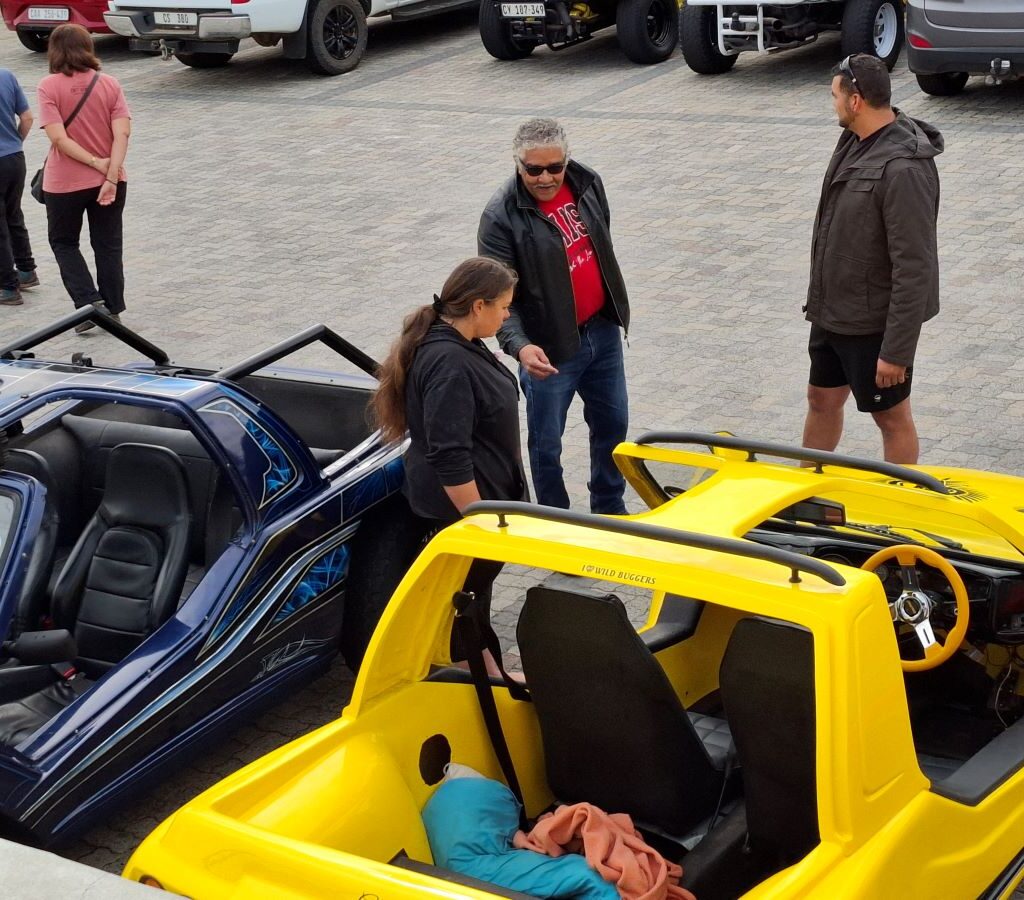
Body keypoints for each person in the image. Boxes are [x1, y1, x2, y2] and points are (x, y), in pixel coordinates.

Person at [371, 256, 526, 665]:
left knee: (472, 592)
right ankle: (473, 673)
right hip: (461, 507)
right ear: (478, 306)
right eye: (504, 306)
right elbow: (449, 452)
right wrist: (477, 521)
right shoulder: (450, 363)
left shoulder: (462, 342)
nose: (507, 316)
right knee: (463, 595)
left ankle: (482, 666)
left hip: (478, 499)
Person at [478, 118, 631, 514]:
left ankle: (609, 508)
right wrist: (520, 346)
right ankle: (555, 520)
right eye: (534, 169)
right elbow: (497, 298)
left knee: (613, 428)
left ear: (567, 160)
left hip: (602, 333)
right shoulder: (499, 216)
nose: (545, 178)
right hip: (548, 349)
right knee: (547, 445)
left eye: (554, 167)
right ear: (517, 163)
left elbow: (601, 243)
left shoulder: (587, 183)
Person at [802, 53, 943, 465]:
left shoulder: (904, 170)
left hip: (872, 325)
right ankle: (805, 489)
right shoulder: (854, 139)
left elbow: (914, 267)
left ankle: (899, 497)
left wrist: (897, 351)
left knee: (891, 418)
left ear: (856, 101)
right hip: (833, 313)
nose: (833, 104)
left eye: (835, 96)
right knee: (820, 399)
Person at [37, 23, 132, 333]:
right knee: (108, 244)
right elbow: (122, 133)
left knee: (63, 242)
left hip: (64, 183)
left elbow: (58, 138)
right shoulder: (110, 84)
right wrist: (110, 174)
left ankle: (89, 305)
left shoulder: (48, 86)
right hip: (110, 179)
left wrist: (93, 162)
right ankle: (113, 308)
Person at [0, 66, 36, 307]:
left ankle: (7, 286)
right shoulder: (6, 75)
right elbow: (27, 118)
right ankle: (26, 270)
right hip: (14, 158)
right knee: (13, 214)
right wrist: (14, 142)